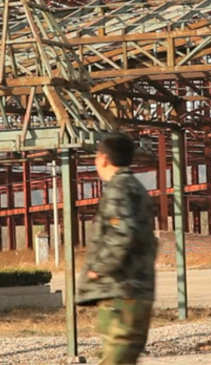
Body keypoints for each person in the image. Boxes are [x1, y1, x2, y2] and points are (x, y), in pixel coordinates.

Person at [77, 132, 157, 364]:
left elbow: (122, 233)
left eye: (95, 158)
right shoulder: (136, 188)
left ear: (103, 158)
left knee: (117, 358)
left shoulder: (118, 189)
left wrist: (99, 267)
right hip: (136, 289)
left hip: (122, 290)